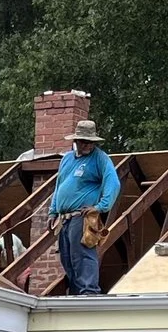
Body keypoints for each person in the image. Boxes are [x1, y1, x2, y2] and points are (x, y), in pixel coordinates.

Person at [49, 117, 119, 295]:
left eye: (90, 142)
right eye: (84, 142)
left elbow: (113, 183)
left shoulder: (100, 159)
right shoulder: (67, 160)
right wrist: (53, 211)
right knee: (67, 258)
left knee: (83, 256)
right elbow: (59, 185)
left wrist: (101, 206)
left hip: (82, 217)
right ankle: (76, 292)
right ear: (76, 141)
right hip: (65, 218)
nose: (88, 145)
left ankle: (89, 292)